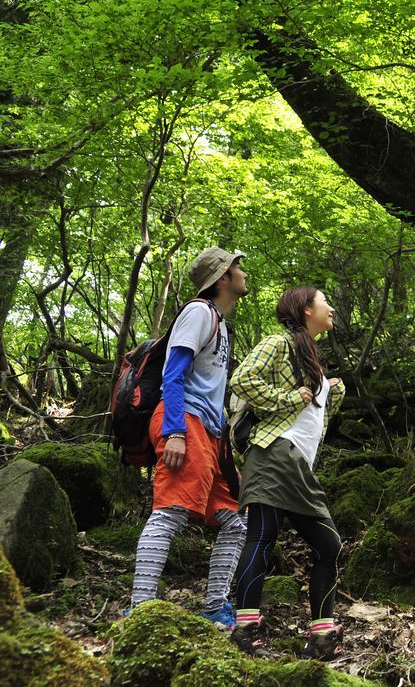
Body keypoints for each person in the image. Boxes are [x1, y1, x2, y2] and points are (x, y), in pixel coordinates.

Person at [129, 246, 249, 629]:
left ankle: (215, 606)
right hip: (185, 422)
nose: (243, 272)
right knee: (170, 512)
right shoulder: (198, 312)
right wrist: (176, 431)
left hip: (210, 433)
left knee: (235, 522)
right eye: (236, 267)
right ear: (222, 278)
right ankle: (141, 610)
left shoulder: (220, 322)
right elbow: (173, 373)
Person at [228, 286, 346, 661]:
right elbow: (242, 380)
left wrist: (329, 392)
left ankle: (321, 637)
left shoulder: (316, 365)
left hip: (296, 465)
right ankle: (245, 630)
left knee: (329, 546)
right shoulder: (278, 343)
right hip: (273, 452)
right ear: (307, 309)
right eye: (324, 300)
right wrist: (290, 398)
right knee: (262, 536)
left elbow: (314, 421)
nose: (331, 307)